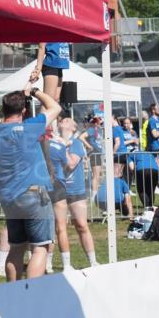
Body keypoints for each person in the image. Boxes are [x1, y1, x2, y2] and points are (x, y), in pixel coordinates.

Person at [0, 83, 61, 281]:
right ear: (24, 111)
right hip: (33, 194)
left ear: (3, 109)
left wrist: (23, 95)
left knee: (16, 248)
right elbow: (55, 107)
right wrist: (35, 92)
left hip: (9, 198)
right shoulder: (29, 128)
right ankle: (31, 294)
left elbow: (10, 123)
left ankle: (13, 290)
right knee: (40, 248)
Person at [47, 116, 97, 270]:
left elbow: (71, 164)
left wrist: (62, 145)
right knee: (55, 227)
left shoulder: (76, 143)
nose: (63, 120)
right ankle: (48, 263)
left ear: (74, 128)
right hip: (57, 188)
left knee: (81, 225)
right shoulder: (53, 142)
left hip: (75, 189)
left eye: (68, 120)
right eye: (63, 119)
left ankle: (93, 262)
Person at [133, 143, 159, 209]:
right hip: (154, 170)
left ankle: (147, 207)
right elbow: (158, 164)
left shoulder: (133, 154)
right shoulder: (151, 154)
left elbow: (131, 167)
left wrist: (135, 175)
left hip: (141, 170)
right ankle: (151, 207)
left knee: (141, 190)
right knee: (151, 190)